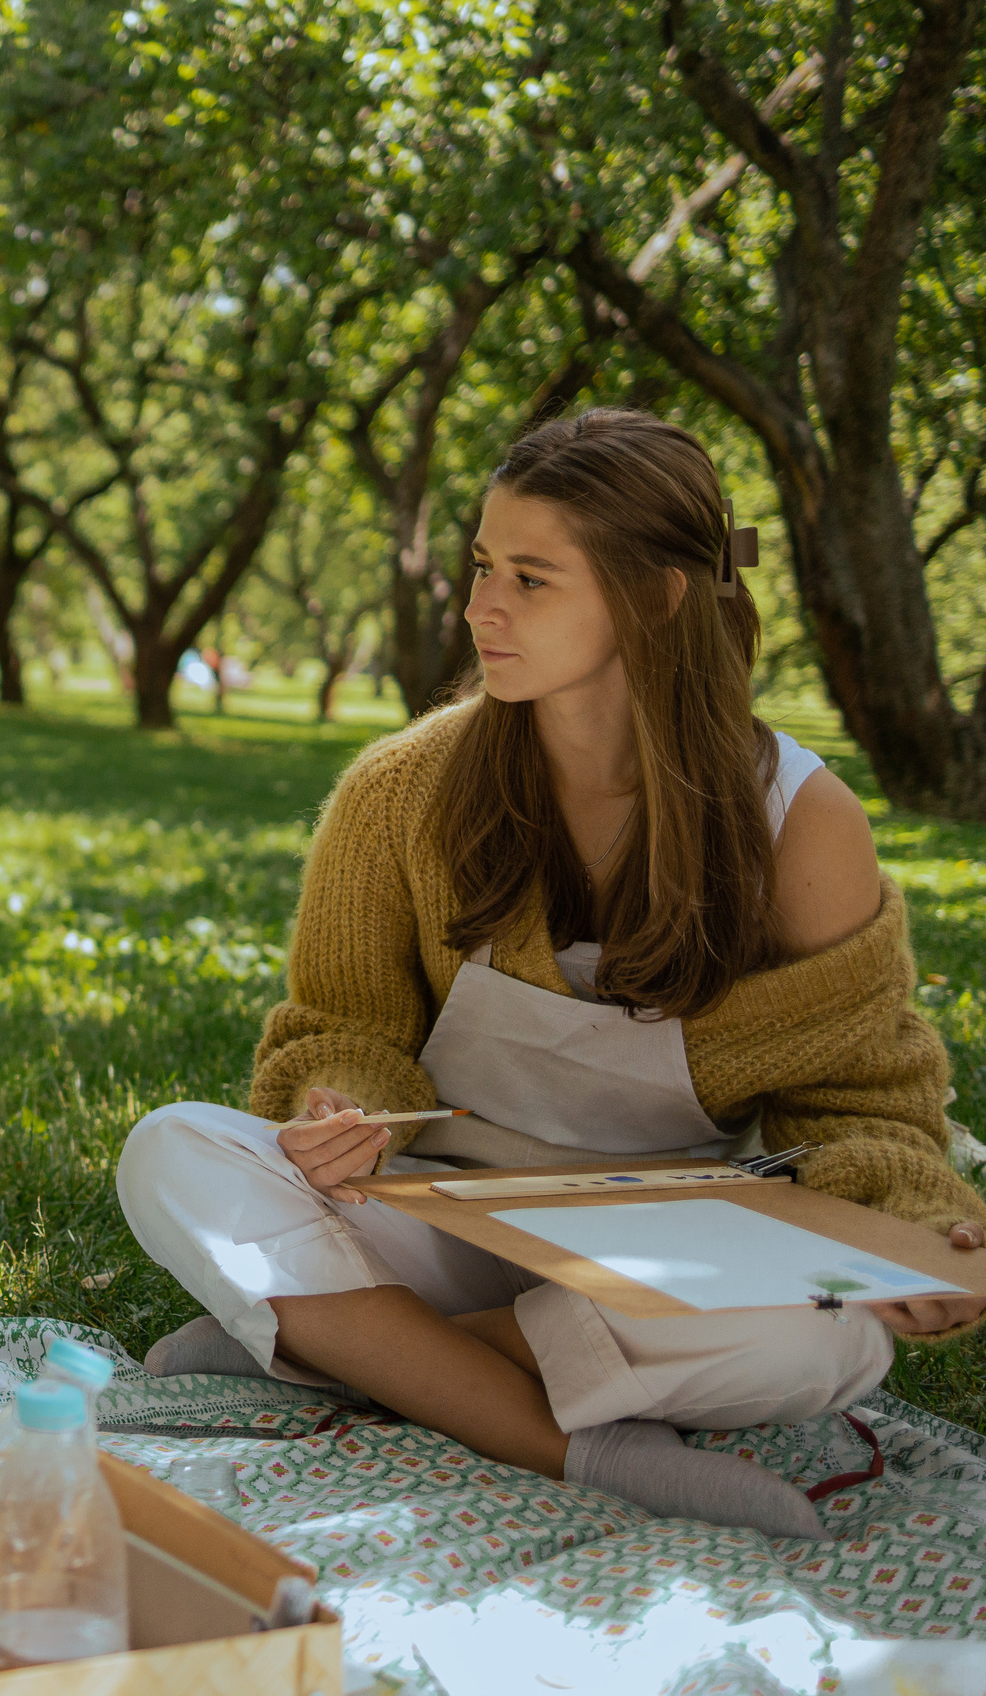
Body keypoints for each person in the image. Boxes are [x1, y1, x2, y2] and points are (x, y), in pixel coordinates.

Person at [116, 408, 985, 1539]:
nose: (480, 608)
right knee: (171, 1147)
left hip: (668, 1255)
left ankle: (327, 1348)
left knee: (829, 1334)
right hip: (435, 1223)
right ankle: (577, 1449)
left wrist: (915, 1221)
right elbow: (339, 1024)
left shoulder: (800, 823)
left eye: (530, 579)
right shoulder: (399, 791)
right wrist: (340, 1105)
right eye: (483, 567)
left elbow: (858, 1102)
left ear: (658, 595)